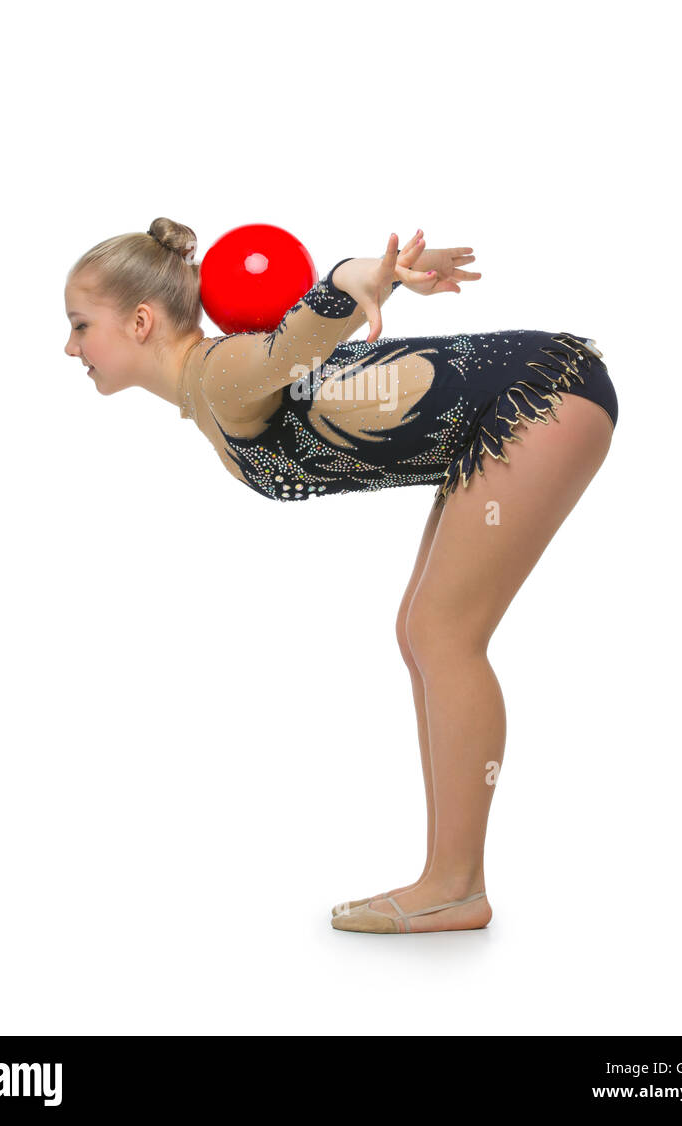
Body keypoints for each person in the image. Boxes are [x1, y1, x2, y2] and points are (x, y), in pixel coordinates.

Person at [65, 219, 619, 934]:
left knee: (443, 634)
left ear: (140, 322)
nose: (70, 347)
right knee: (422, 632)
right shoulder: (208, 390)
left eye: (80, 325)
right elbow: (289, 353)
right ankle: (450, 880)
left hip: (539, 395)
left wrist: (352, 281)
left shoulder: (218, 372)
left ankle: (456, 886)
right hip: (510, 407)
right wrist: (354, 283)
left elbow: (289, 350)